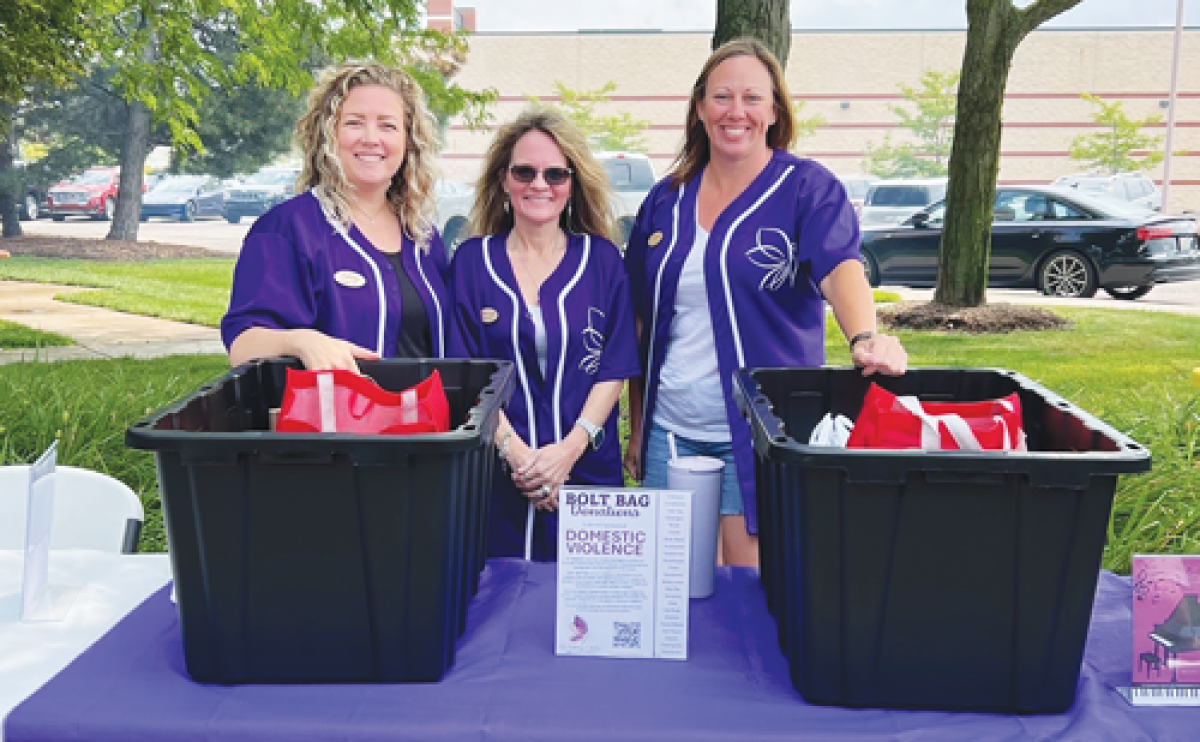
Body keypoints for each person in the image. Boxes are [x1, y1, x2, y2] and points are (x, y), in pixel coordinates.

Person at [623, 38, 908, 567]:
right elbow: (641, 320)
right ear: (700, 109)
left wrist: (865, 335)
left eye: (753, 98)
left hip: (758, 432)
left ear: (775, 110)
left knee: (747, 593)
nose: (737, 111)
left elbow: (839, 266)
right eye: (722, 97)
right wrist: (638, 425)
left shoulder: (806, 189)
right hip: (671, 431)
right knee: (672, 590)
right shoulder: (664, 200)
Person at [449, 107, 640, 562]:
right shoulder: (472, 263)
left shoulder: (603, 261)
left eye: (556, 174)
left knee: (588, 617)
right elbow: (468, 374)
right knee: (499, 614)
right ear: (503, 179)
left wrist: (567, 453)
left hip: (587, 471)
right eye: (525, 171)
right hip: (497, 477)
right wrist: (519, 458)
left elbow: (614, 367)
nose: (540, 184)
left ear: (573, 184)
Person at [222, 62, 454, 370]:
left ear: (408, 141)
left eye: (388, 125)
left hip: (423, 416)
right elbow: (243, 345)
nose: (372, 138)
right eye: (355, 123)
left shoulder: (423, 239)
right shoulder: (287, 230)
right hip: (331, 416)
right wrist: (302, 341)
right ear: (327, 134)